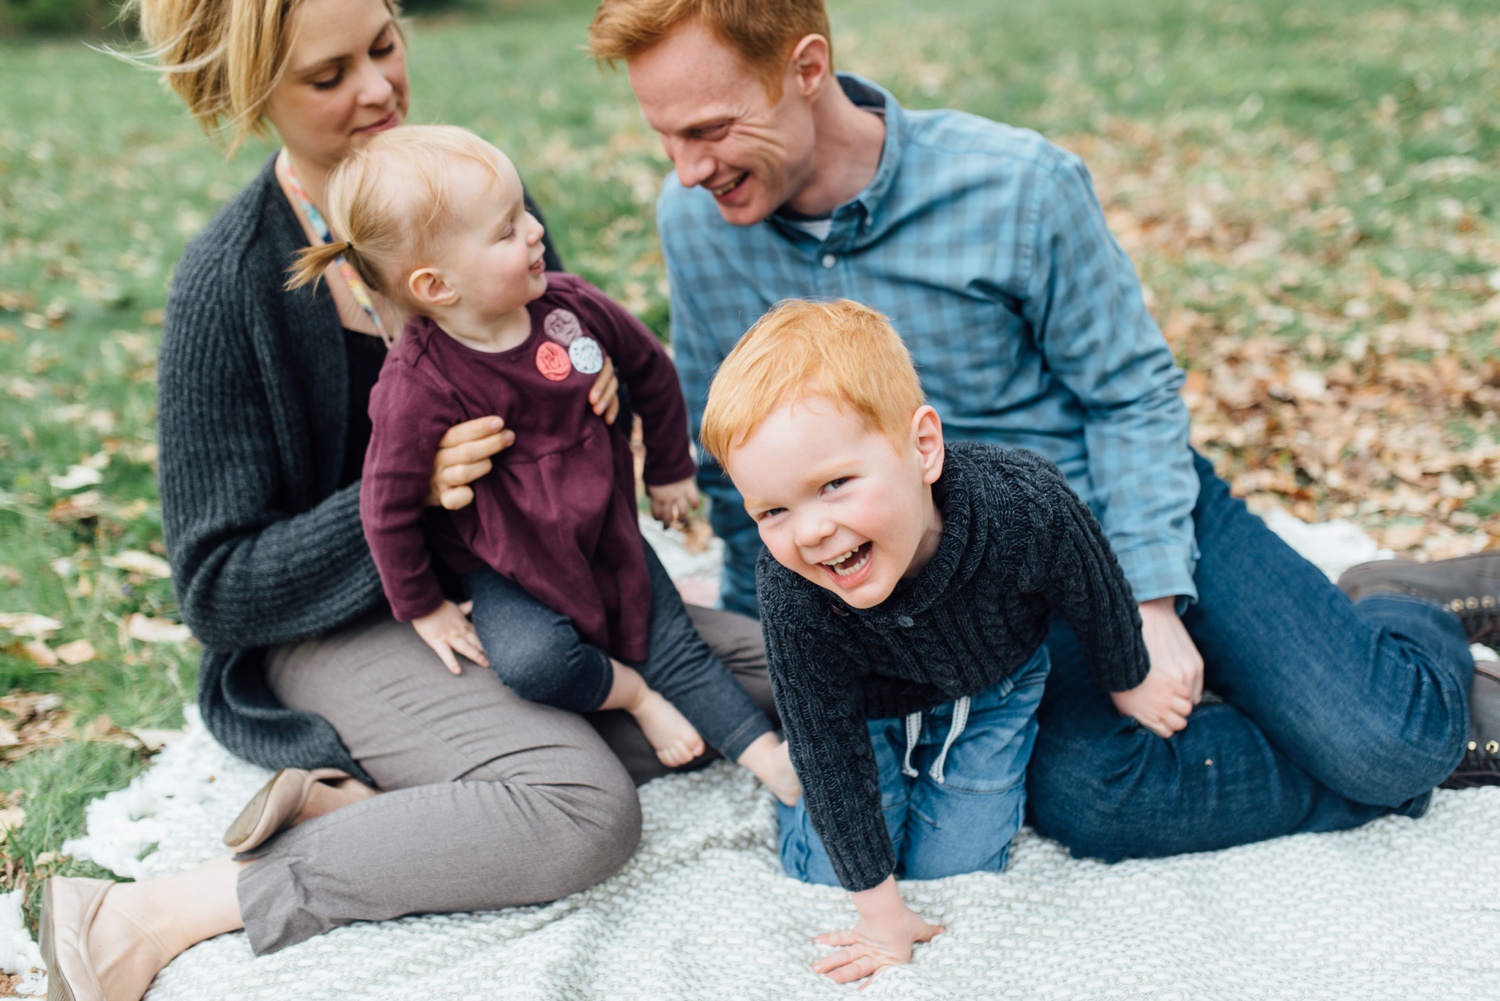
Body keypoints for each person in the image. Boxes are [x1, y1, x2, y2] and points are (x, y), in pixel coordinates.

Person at [587, 0, 1500, 978]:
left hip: (1108, 505)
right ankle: (1302, 670)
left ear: (805, 67)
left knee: (1384, 745)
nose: (686, 167)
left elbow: (1133, 393)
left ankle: (1404, 610)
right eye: (664, 136)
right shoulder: (698, 223)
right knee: (1091, 791)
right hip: (972, 590)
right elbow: (733, 456)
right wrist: (774, 645)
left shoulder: (1017, 185)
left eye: (710, 129)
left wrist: (1149, 598)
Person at [38, 1, 775, 998]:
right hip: (337, 622)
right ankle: (158, 909)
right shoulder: (230, 286)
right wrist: (408, 491)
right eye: (329, 75)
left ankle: (370, 805)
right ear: (259, 94)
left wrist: (595, 384)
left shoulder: (466, 191)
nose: (379, 88)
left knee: (776, 670)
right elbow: (216, 590)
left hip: (527, 579)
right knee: (580, 805)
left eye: (384, 47)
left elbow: (565, 337)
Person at [286, 124, 797, 791]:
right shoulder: (417, 384)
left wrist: (670, 468)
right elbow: (386, 506)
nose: (533, 231)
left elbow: (650, 370)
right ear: (436, 286)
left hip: (606, 536)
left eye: (522, 210)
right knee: (536, 663)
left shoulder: (570, 307)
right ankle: (632, 696)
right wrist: (424, 605)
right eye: (505, 231)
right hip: (508, 567)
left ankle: (770, 762)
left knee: (676, 643)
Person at [701, 298, 1154, 974]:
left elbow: (1094, 584)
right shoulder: (793, 586)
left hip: (993, 685)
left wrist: (1129, 678)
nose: (810, 531)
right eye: (774, 509)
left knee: (960, 868)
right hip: (864, 713)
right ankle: (813, 806)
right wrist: (881, 914)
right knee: (836, 875)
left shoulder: (1022, 504)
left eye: (834, 484)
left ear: (923, 447)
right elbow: (828, 741)